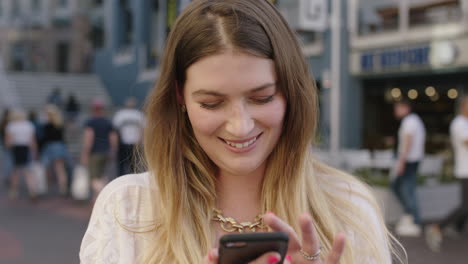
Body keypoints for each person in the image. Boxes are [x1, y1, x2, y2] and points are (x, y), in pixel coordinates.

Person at [80, 1, 403, 263]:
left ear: (291, 93)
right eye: (211, 103)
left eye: (261, 98)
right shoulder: (128, 208)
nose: (241, 125)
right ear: (180, 98)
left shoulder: (349, 208)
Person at [426, 96, 468, 251]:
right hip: (465, 170)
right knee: (465, 206)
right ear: (463, 106)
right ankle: (436, 227)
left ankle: (456, 227)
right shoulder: (458, 123)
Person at [391, 99, 426, 237]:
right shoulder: (415, 120)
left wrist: (401, 162)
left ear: (405, 108)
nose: (395, 111)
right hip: (412, 160)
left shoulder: (409, 121)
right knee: (401, 187)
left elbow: (407, 141)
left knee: (405, 189)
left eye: (397, 108)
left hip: (408, 161)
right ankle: (411, 216)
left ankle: (413, 218)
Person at [80, 99, 118, 200]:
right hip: (106, 152)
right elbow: (113, 138)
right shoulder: (108, 122)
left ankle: (105, 196)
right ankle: (96, 200)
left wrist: (85, 154)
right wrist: (113, 151)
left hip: (95, 153)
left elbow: (89, 139)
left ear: (93, 109)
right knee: (102, 176)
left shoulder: (91, 122)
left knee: (94, 178)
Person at [5, 109, 38, 200]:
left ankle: (13, 191)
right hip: (26, 148)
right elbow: (32, 141)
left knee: (15, 172)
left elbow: (8, 142)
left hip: (16, 149)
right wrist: (35, 152)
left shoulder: (11, 126)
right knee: (28, 171)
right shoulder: (29, 125)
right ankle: (32, 190)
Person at [112, 97, 145, 176]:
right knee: (122, 165)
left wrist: (140, 142)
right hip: (123, 143)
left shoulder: (138, 114)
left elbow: (142, 130)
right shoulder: (121, 114)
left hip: (134, 143)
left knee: (133, 166)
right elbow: (116, 131)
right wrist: (115, 145)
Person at [41, 105, 69, 196]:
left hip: (50, 146)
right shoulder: (60, 124)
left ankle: (46, 188)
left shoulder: (47, 125)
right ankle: (63, 189)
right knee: (60, 169)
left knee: (47, 168)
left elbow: (45, 138)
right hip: (59, 146)